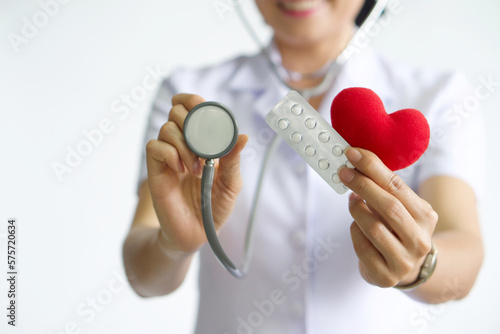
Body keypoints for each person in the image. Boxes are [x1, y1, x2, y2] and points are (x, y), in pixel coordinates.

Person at [122, 0, 485, 332]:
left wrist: (419, 265)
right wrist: (174, 244)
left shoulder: (440, 96)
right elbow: (143, 279)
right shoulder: (190, 100)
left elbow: (464, 258)